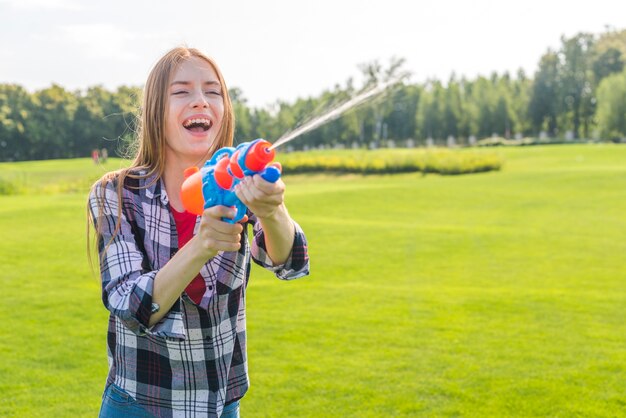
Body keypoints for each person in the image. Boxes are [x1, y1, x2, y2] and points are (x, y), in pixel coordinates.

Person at [88, 46, 310, 418]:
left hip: (220, 405)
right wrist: (202, 245)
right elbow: (129, 305)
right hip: (141, 404)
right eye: (181, 91)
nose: (201, 102)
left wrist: (273, 212)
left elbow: (290, 262)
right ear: (155, 111)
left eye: (213, 91)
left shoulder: (239, 182)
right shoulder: (117, 193)